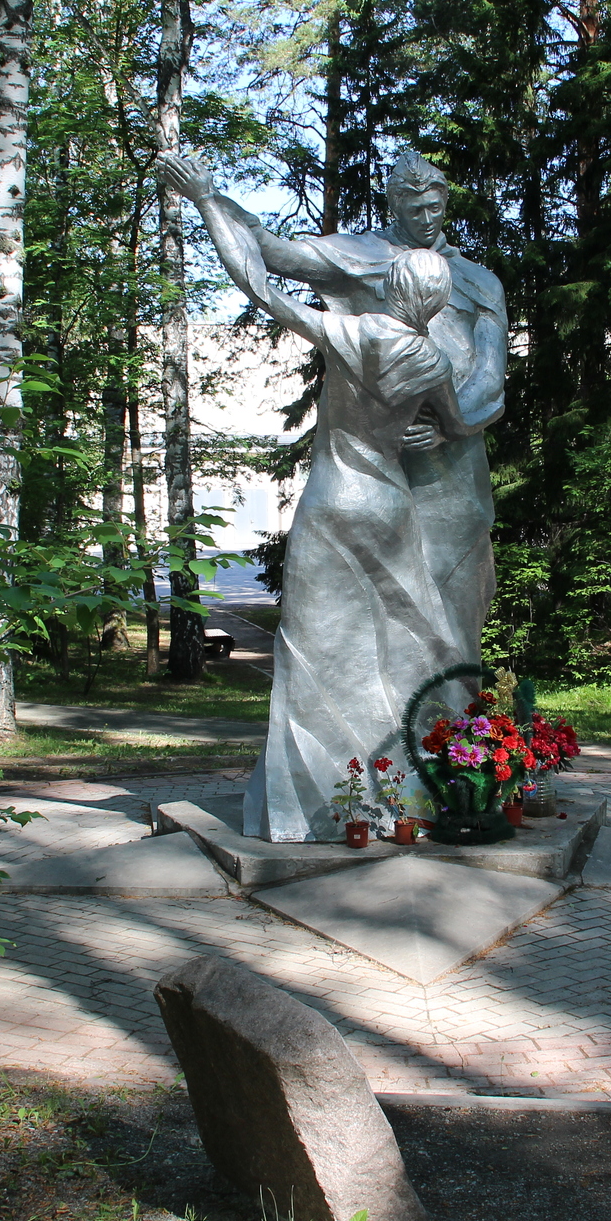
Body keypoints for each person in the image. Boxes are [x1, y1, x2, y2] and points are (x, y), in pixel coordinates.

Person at [160, 154, 495, 840]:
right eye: (412, 199)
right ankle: (352, 791)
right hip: (391, 488)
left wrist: (204, 199)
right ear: (393, 201)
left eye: (436, 199)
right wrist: (216, 198)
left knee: (441, 637)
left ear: (447, 202)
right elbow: (277, 254)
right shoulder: (367, 264)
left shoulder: (473, 285)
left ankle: (425, 782)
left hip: (436, 483)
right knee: (361, 636)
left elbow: (487, 380)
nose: (426, 211)